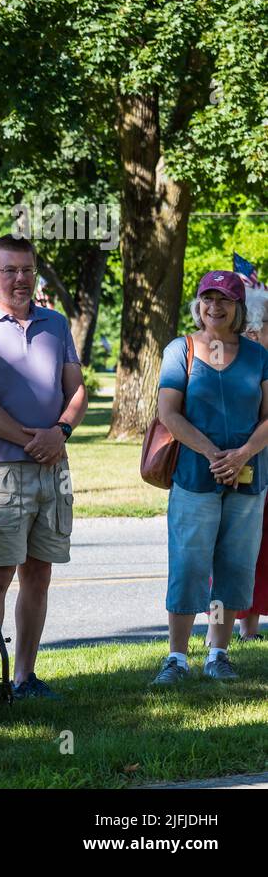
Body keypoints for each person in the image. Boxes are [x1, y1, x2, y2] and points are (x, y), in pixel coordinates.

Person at [0, 234, 87, 701]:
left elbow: (76, 390)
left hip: (54, 467)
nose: (21, 278)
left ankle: (25, 676)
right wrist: (34, 440)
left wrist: (60, 432)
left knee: (39, 573)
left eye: (27, 269)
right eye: (10, 270)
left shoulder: (55, 323)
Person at [153, 272, 268, 684]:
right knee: (189, 564)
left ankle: (218, 653)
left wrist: (242, 454)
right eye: (208, 298)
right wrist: (211, 453)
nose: (214, 307)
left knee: (234, 565)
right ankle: (177, 658)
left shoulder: (258, 356)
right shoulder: (179, 350)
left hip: (248, 478)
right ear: (198, 304)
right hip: (194, 476)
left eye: (224, 300)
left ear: (239, 308)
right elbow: (168, 412)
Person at [237, 286, 268, 641]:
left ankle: (250, 627)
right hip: (241, 468)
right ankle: (217, 629)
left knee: (261, 550)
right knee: (233, 547)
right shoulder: (238, 366)